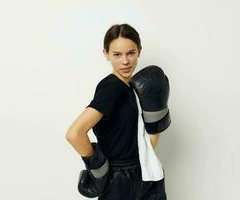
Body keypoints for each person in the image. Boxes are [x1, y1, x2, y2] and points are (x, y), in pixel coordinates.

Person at [65, 24, 167, 200]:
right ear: (106, 54)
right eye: (117, 55)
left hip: (146, 174)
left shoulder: (135, 88)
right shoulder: (111, 87)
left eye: (131, 53)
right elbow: (74, 134)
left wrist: (157, 111)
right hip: (119, 181)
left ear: (139, 51)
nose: (125, 61)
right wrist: (100, 171)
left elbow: (148, 144)